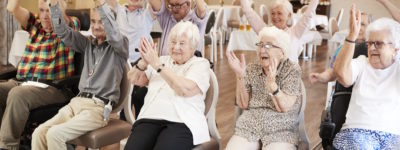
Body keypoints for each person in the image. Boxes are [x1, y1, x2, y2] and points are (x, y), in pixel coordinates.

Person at [30, 0, 128, 149]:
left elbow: (113, 34)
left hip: (98, 108)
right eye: (93, 21)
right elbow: (62, 32)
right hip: (76, 103)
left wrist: (101, 4)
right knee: (39, 132)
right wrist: (54, 5)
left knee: (54, 134)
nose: (95, 26)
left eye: (101, 22)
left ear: (110, 23)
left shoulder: (120, 46)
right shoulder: (88, 43)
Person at [0, 0, 80, 149]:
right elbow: (12, 7)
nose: (44, 16)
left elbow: (61, 18)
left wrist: (54, 5)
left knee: (18, 94)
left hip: (52, 88)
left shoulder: (70, 25)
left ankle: (7, 147)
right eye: (42, 10)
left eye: (48, 11)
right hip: (23, 82)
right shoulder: (35, 24)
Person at [125, 21, 210, 149]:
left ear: (193, 47)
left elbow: (183, 89)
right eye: (173, 42)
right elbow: (133, 79)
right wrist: (143, 62)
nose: (176, 47)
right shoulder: (163, 60)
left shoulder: (200, 64)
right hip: (149, 118)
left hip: (182, 122)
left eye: (182, 43)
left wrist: (157, 65)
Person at [332, 5, 400, 149]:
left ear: (395, 49)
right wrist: (351, 36)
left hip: (393, 137)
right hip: (356, 132)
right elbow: (342, 76)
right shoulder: (362, 63)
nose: (372, 48)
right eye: (370, 43)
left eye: (379, 44)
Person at [225, 26, 302, 150]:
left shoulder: (292, 70)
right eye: (260, 45)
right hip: (250, 125)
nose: (262, 50)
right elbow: (243, 104)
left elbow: (285, 107)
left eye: (268, 46)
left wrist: (273, 87)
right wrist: (240, 76)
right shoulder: (252, 68)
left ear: (282, 52)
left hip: (281, 129)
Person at [106, 0, 155, 118]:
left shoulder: (147, 13)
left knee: (140, 97)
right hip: (121, 63)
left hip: (141, 62)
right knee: (123, 100)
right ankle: (123, 121)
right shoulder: (119, 9)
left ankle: (140, 121)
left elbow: (158, 4)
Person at [240, 0, 319, 62]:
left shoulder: (295, 32)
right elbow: (248, 11)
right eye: (272, 13)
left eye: (279, 13)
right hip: (269, 77)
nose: (275, 17)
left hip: (290, 79)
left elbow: (309, 14)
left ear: (289, 15)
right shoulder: (265, 31)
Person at [309, 12, 371, 84]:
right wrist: (322, 76)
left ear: (370, 28)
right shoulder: (343, 48)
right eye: (356, 23)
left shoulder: (373, 51)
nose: (357, 27)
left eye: (362, 24)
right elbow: (332, 71)